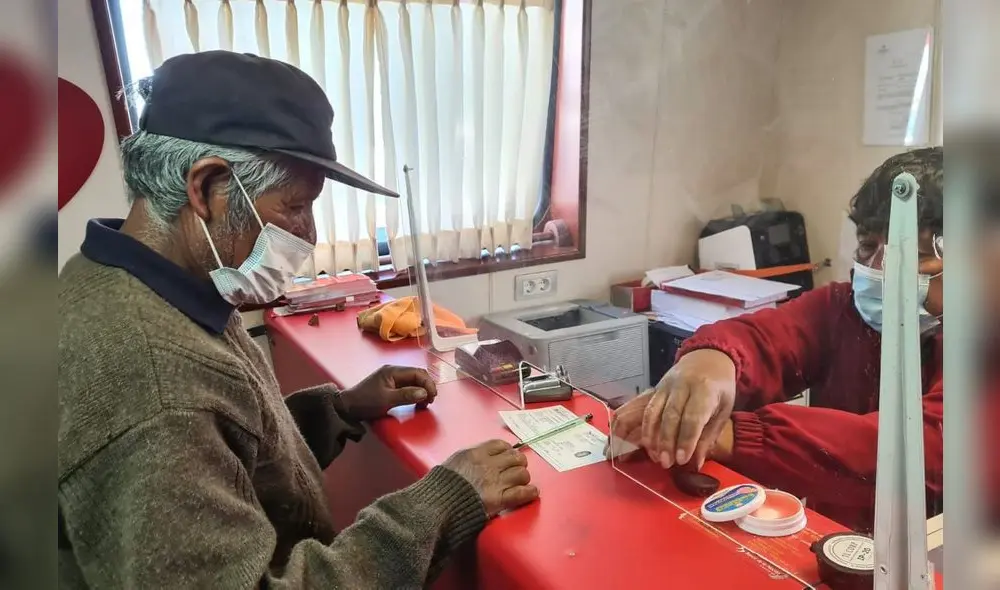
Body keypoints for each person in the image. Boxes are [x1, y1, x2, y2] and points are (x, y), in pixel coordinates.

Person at [58, 51, 538, 588]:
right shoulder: (151, 383)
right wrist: (446, 499)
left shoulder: (143, 282)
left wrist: (337, 409)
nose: (309, 235)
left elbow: (221, 455)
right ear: (207, 188)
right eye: (295, 205)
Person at [611, 147, 944, 533]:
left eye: (913, 256)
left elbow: (918, 450)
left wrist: (725, 434)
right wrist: (709, 363)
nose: (878, 271)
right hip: (840, 545)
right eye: (868, 248)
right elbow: (767, 338)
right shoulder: (844, 309)